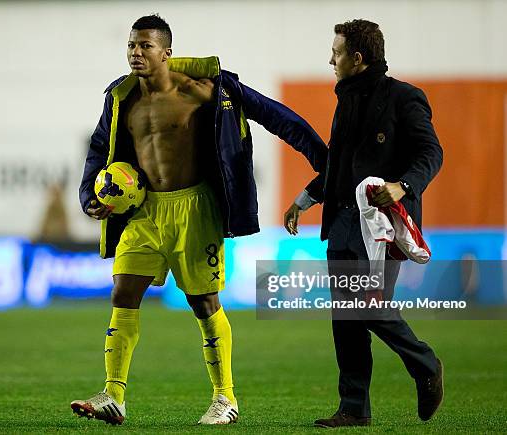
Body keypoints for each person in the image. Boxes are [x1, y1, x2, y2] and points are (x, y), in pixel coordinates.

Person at [72, 14, 327, 425]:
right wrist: (88, 196)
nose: (136, 53)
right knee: (123, 292)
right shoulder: (121, 99)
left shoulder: (207, 89)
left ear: (166, 53)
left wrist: (324, 163)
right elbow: (98, 149)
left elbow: (277, 117)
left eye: (146, 46)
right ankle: (113, 395)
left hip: (195, 209)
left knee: (203, 303)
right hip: (146, 211)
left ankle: (225, 399)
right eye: (132, 45)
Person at [284, 19, 444, 428]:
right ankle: (353, 407)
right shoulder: (346, 101)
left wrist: (404, 186)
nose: (330, 60)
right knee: (347, 319)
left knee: (368, 308)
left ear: (357, 58)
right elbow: (338, 166)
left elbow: (431, 153)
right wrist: (304, 200)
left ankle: (425, 363)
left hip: (383, 227)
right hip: (341, 223)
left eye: (336, 53)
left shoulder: (405, 97)